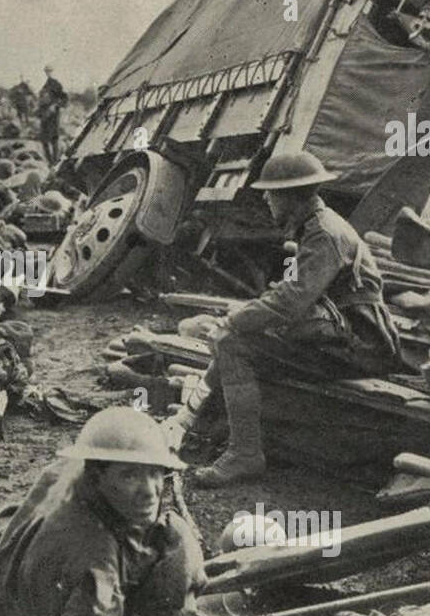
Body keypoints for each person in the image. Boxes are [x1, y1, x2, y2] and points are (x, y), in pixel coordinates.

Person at [162, 151, 401, 486]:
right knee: (231, 340)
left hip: (359, 346)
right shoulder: (315, 226)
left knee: (232, 343)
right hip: (339, 338)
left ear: (291, 196)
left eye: (271, 192)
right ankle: (187, 421)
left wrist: (235, 320)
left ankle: (244, 454)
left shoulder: (325, 234)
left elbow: (291, 302)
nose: (265, 199)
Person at [0, 406, 203, 616]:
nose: (150, 491)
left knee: (172, 536)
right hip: (21, 609)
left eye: (155, 473)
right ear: (97, 475)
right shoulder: (94, 558)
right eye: (130, 475)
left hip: (10, 563)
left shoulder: (74, 468)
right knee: (176, 545)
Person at [37, 65, 68, 163]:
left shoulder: (56, 84)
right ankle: (50, 161)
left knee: (54, 139)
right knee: (44, 140)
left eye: (50, 71)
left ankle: (55, 161)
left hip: (53, 115)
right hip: (44, 115)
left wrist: (55, 105)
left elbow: (64, 98)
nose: (48, 73)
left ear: (52, 72)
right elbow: (41, 101)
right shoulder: (44, 86)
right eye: (46, 71)